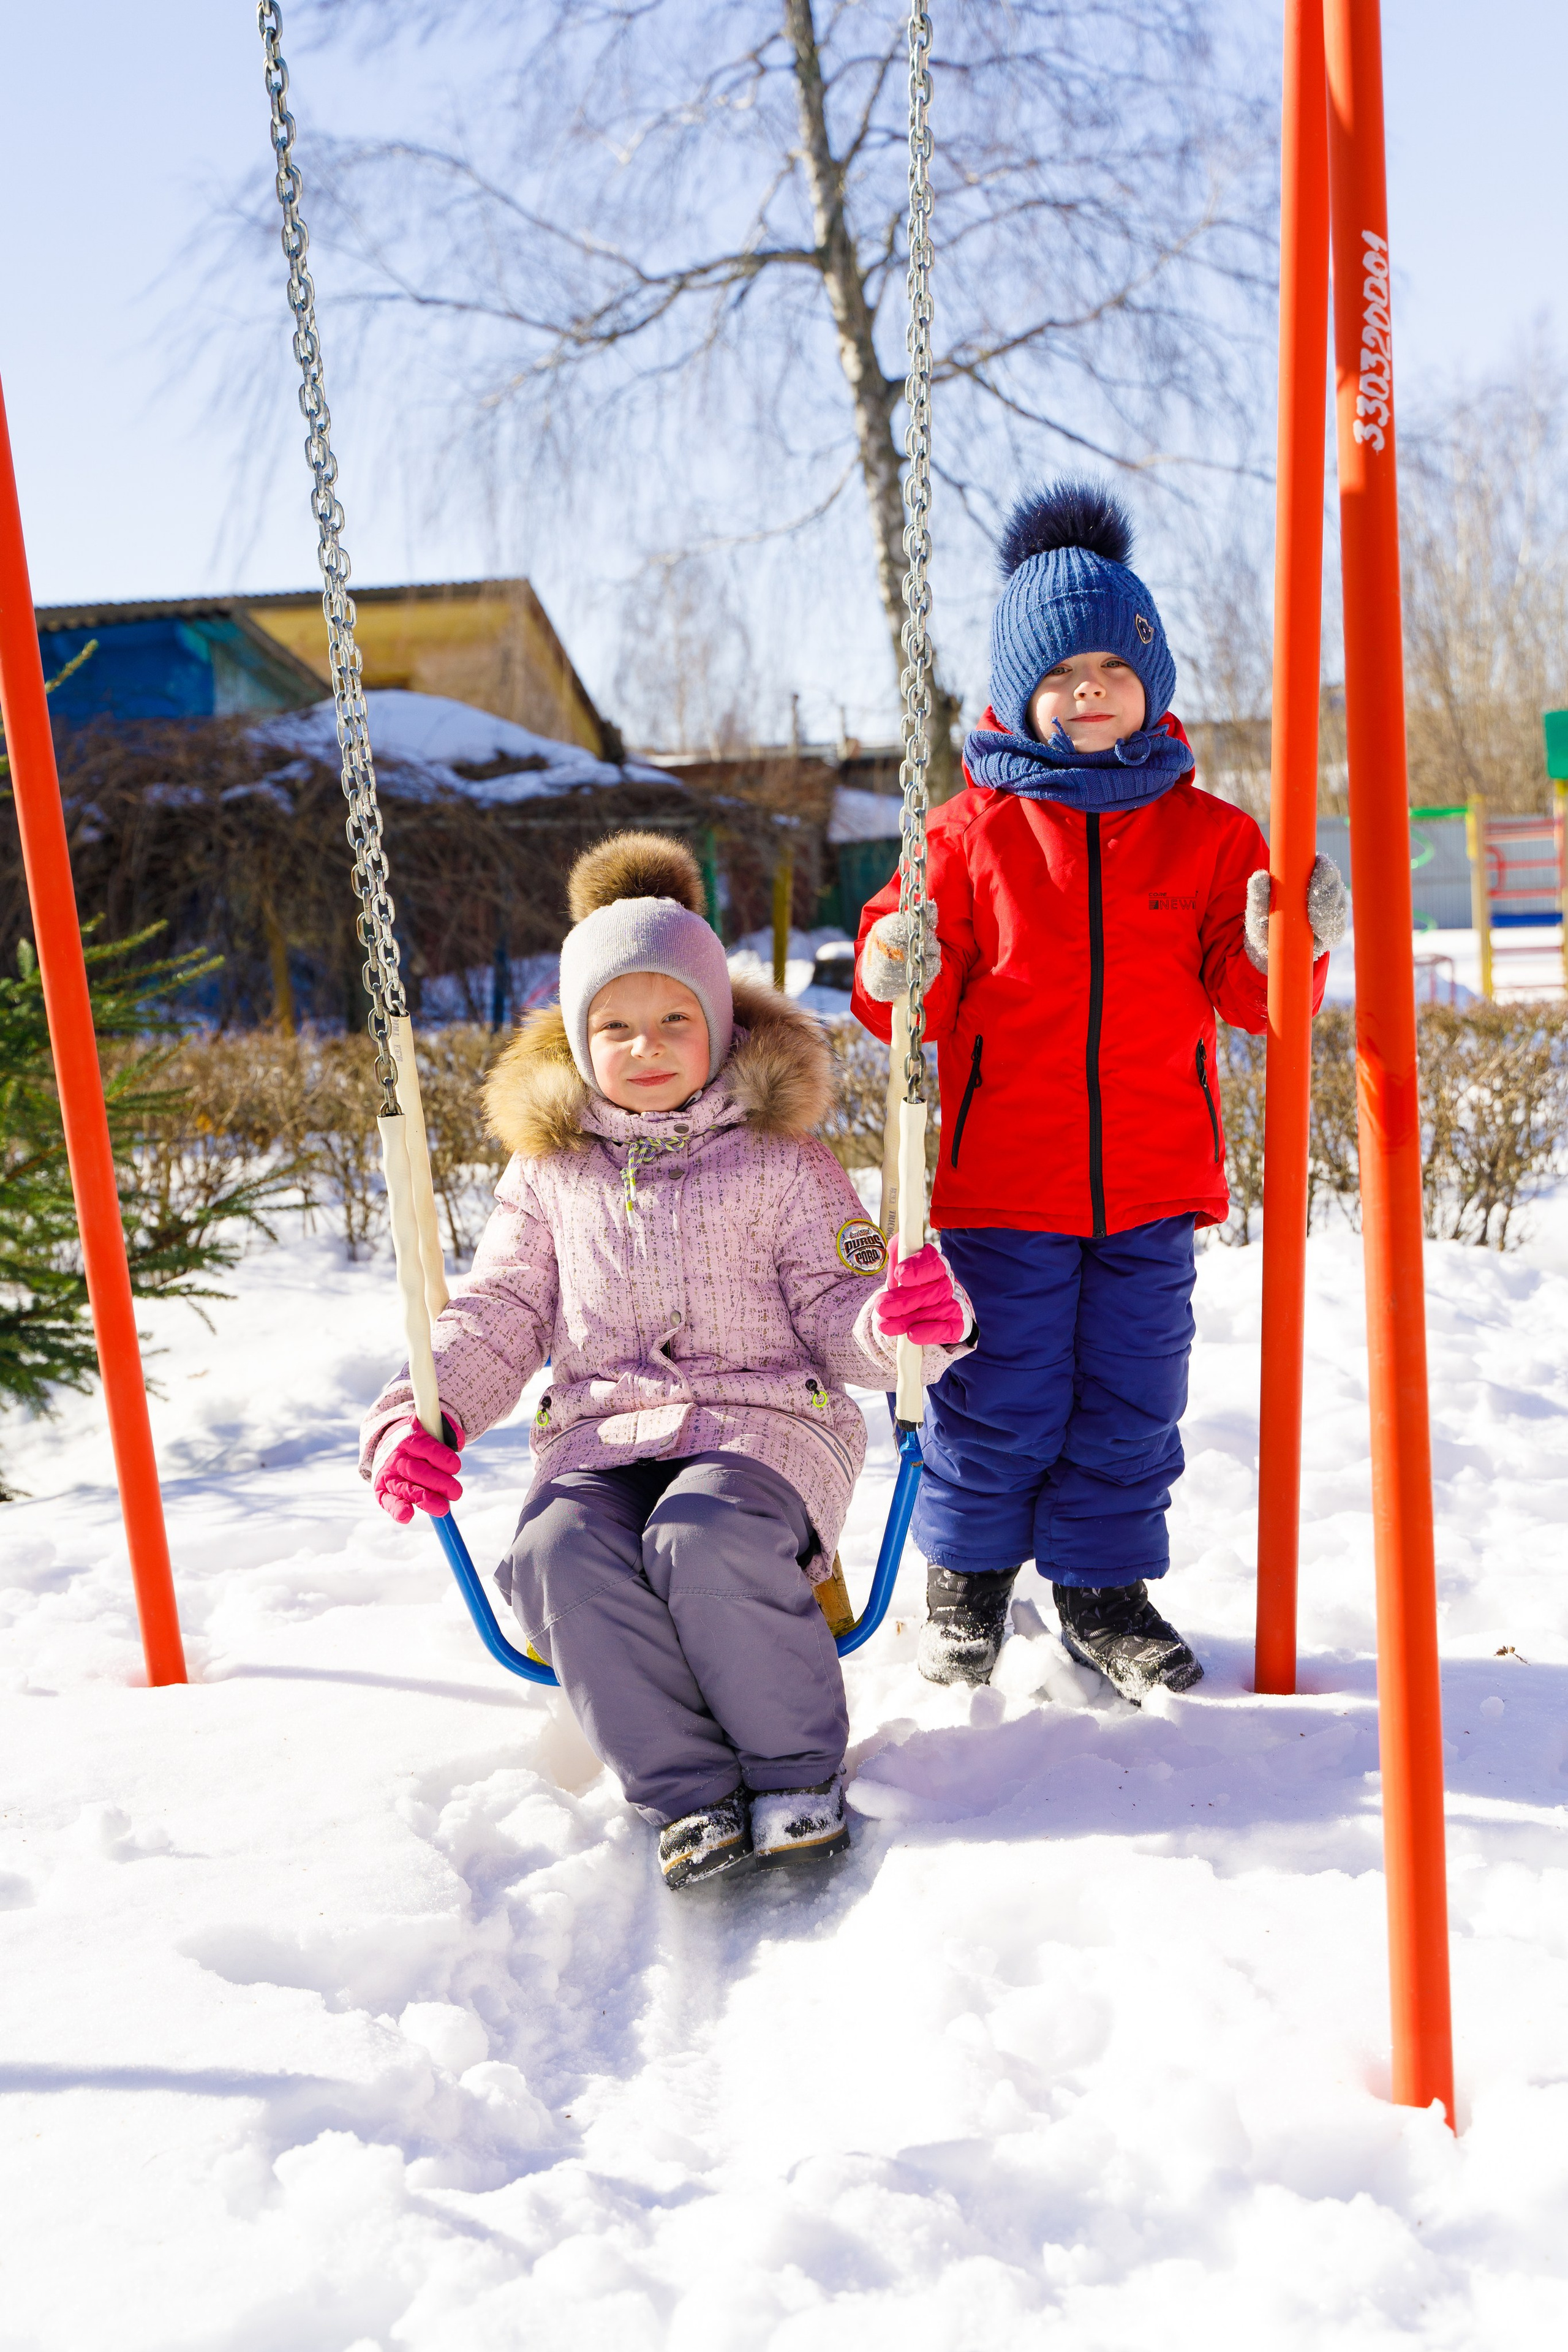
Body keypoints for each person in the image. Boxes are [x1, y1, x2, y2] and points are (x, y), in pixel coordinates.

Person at [361, 834, 973, 1890]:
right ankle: (685, 1790)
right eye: (616, 1027)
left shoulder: (786, 1163)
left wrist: (902, 1321)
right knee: (557, 1553)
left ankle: (793, 1770)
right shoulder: (548, 1174)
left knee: (702, 1536)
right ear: (578, 1038)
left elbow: (842, 1309)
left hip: (765, 1429)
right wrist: (425, 1410)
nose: (645, 1048)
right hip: (600, 1434)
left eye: (673, 1022)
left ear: (720, 1024)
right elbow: (501, 1310)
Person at [852, 478, 1346, 1703]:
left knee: (1131, 1397)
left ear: (1151, 686)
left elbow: (1251, 998)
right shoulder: (962, 837)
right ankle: (965, 1578)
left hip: (1147, 1184)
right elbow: (901, 1001)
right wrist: (891, 959)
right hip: (998, 1185)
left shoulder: (1211, 837)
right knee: (998, 1394)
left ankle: (1101, 1590)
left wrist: (1293, 945)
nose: (1088, 691)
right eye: (1061, 673)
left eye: (1112, 671)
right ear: (1017, 691)